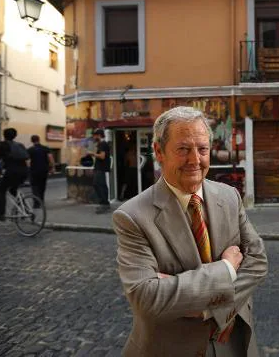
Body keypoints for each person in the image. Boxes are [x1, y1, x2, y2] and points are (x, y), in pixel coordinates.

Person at [112, 106, 268, 356]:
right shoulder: (132, 217)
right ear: (159, 152)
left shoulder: (229, 196)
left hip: (234, 343)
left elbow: (258, 262)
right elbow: (147, 298)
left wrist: (213, 309)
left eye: (203, 149)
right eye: (183, 149)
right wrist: (226, 269)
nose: (195, 160)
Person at [0, 128, 29, 220]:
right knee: (13, 190)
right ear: (15, 136)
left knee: (2, 191)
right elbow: (26, 159)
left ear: (4, 135)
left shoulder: (1, 145)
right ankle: (25, 209)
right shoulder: (20, 145)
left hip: (12, 171)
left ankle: (1, 215)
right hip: (24, 171)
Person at [87, 128, 111, 213]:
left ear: (99, 135)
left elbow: (102, 156)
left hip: (101, 169)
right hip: (99, 168)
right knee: (100, 185)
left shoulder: (102, 144)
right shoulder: (100, 144)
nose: (93, 137)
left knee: (99, 185)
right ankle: (105, 204)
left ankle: (104, 204)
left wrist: (92, 154)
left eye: (95, 135)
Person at [27, 135, 55, 205]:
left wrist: (29, 168)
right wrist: (53, 168)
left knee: (34, 186)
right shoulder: (45, 148)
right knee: (42, 186)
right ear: (39, 139)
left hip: (33, 171)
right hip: (43, 170)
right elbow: (50, 158)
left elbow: (27, 161)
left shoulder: (30, 150)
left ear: (32, 141)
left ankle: (36, 203)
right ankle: (41, 200)